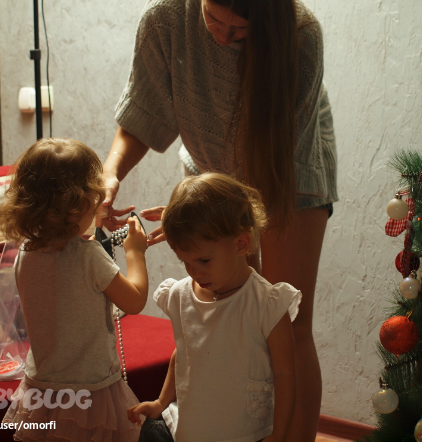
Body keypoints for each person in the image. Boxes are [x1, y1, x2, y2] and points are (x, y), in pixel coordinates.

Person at [101, 0, 338, 439]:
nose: (223, 37)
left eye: (240, 30)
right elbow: (143, 111)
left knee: (286, 323)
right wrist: (110, 173)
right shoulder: (166, 16)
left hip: (288, 173)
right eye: (213, 18)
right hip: (209, 171)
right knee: (224, 313)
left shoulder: (300, 35)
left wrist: (213, 215)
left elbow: (273, 159)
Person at [127, 173, 301, 442]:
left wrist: (279, 435)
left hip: (246, 434)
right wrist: (161, 402)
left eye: (204, 261)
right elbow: (181, 355)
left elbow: (285, 373)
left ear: (241, 244)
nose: (194, 272)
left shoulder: (267, 303)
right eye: (185, 262)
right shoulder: (180, 295)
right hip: (190, 429)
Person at [0, 138, 149, 442]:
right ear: (81, 204)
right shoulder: (89, 256)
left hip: (42, 388)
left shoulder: (25, 252)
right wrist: (135, 252)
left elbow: (64, 264)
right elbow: (134, 301)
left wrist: (91, 220)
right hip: (91, 390)